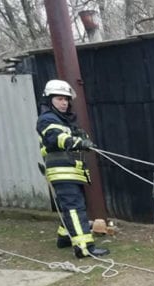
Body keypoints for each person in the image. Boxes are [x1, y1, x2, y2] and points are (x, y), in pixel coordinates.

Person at [36, 79, 109, 259]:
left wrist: (82, 138)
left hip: (71, 171)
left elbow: (72, 136)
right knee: (75, 208)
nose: (64, 103)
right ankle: (84, 248)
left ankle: (64, 237)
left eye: (66, 99)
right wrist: (76, 142)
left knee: (71, 206)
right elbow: (55, 138)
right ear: (49, 100)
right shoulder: (47, 119)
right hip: (62, 171)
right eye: (59, 99)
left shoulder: (65, 121)